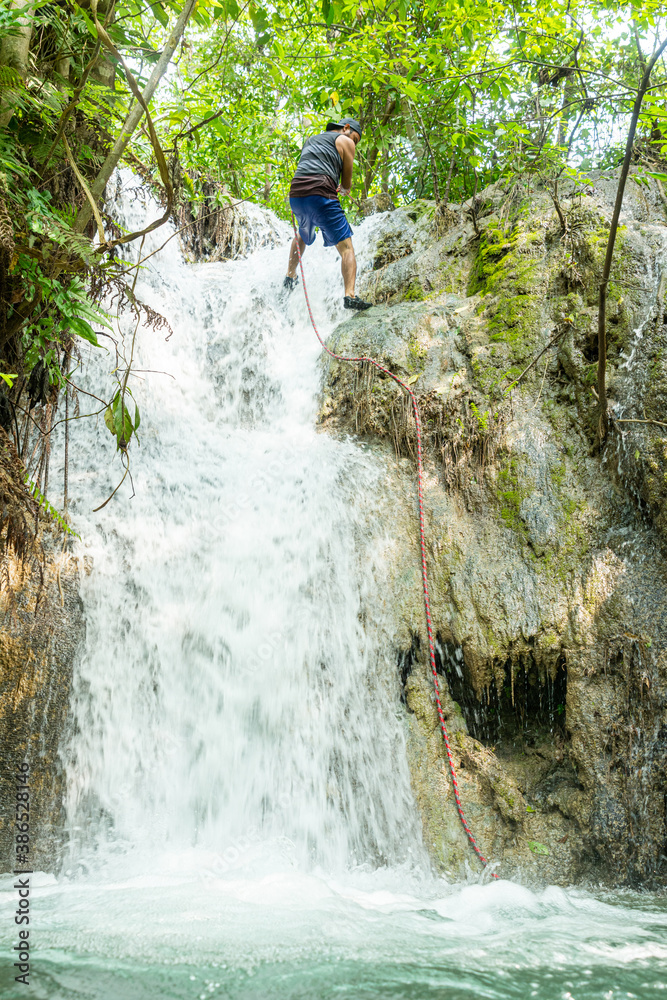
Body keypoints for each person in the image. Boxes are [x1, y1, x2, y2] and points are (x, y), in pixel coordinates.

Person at [284, 117, 372, 311]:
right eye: (355, 139)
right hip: (321, 192)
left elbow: (307, 165)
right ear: (346, 128)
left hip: (296, 194)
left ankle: (290, 276)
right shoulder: (345, 141)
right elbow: (346, 182)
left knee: (303, 233)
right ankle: (350, 295)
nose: (354, 143)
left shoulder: (311, 139)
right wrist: (345, 189)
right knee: (347, 248)